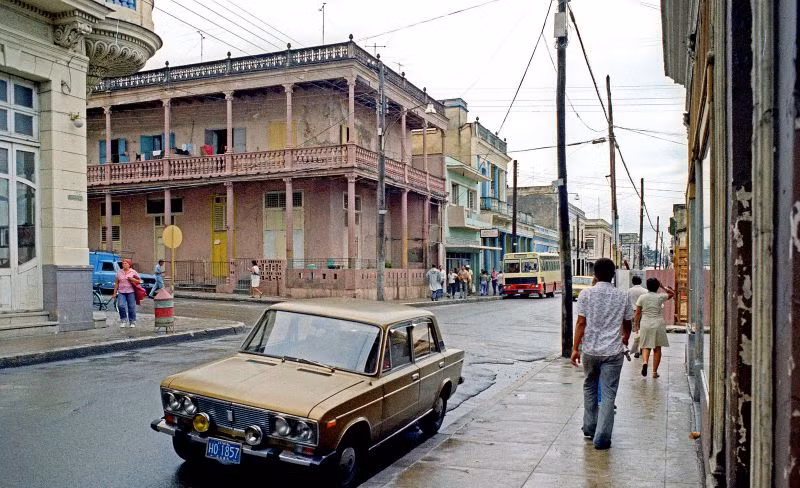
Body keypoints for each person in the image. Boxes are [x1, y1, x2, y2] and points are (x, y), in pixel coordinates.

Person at [570, 258, 633, 450]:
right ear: (613, 275)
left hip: (590, 350)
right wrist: (625, 337)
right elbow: (628, 322)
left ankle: (590, 427)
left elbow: (581, 323)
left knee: (589, 387)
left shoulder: (586, 294)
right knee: (608, 393)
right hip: (613, 352)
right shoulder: (622, 296)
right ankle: (603, 438)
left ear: (594, 275)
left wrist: (575, 348)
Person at [635, 278, 675, 378]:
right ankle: (654, 372)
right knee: (657, 348)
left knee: (645, 346)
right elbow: (672, 293)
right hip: (658, 323)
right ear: (657, 286)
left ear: (647, 286)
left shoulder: (642, 297)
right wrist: (663, 286)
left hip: (645, 323)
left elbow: (638, 313)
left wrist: (636, 325)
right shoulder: (660, 297)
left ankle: (645, 362)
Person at [113, 259, 142, 328]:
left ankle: (132, 321)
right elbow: (116, 283)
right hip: (121, 292)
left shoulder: (133, 272)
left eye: (126, 263)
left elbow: (140, 281)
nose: (124, 265)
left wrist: (132, 279)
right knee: (121, 306)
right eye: (123, 263)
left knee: (131, 307)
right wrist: (114, 293)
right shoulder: (119, 272)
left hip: (131, 292)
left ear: (129, 264)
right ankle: (123, 320)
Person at [626, 275, 648, 357]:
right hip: (643, 312)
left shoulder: (629, 291)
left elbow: (627, 303)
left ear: (632, 282)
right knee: (643, 330)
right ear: (641, 282)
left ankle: (636, 350)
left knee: (636, 330)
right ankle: (641, 348)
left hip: (633, 312)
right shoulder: (645, 291)